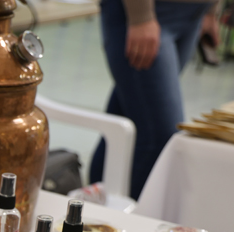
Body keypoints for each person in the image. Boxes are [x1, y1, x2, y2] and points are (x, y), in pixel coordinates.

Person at [89, 0, 220, 200]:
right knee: (159, 138)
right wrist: (141, 17)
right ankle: (130, 215)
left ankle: (94, 204)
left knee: (128, 117)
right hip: (148, 13)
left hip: (193, 14)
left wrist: (210, 9)